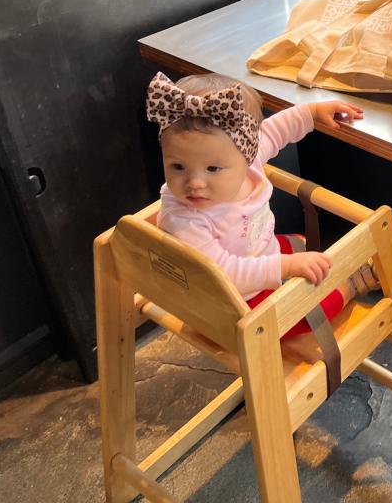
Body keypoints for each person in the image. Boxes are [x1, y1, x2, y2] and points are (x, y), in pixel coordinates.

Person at [146, 71, 378, 337]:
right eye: (178, 166)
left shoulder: (247, 161)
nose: (194, 182)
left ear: (247, 153)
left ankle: (305, 267)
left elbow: (274, 131)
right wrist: (286, 266)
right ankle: (350, 285)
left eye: (212, 168)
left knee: (300, 242)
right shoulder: (185, 219)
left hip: (259, 251)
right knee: (305, 314)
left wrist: (312, 113)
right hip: (234, 303)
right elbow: (224, 275)